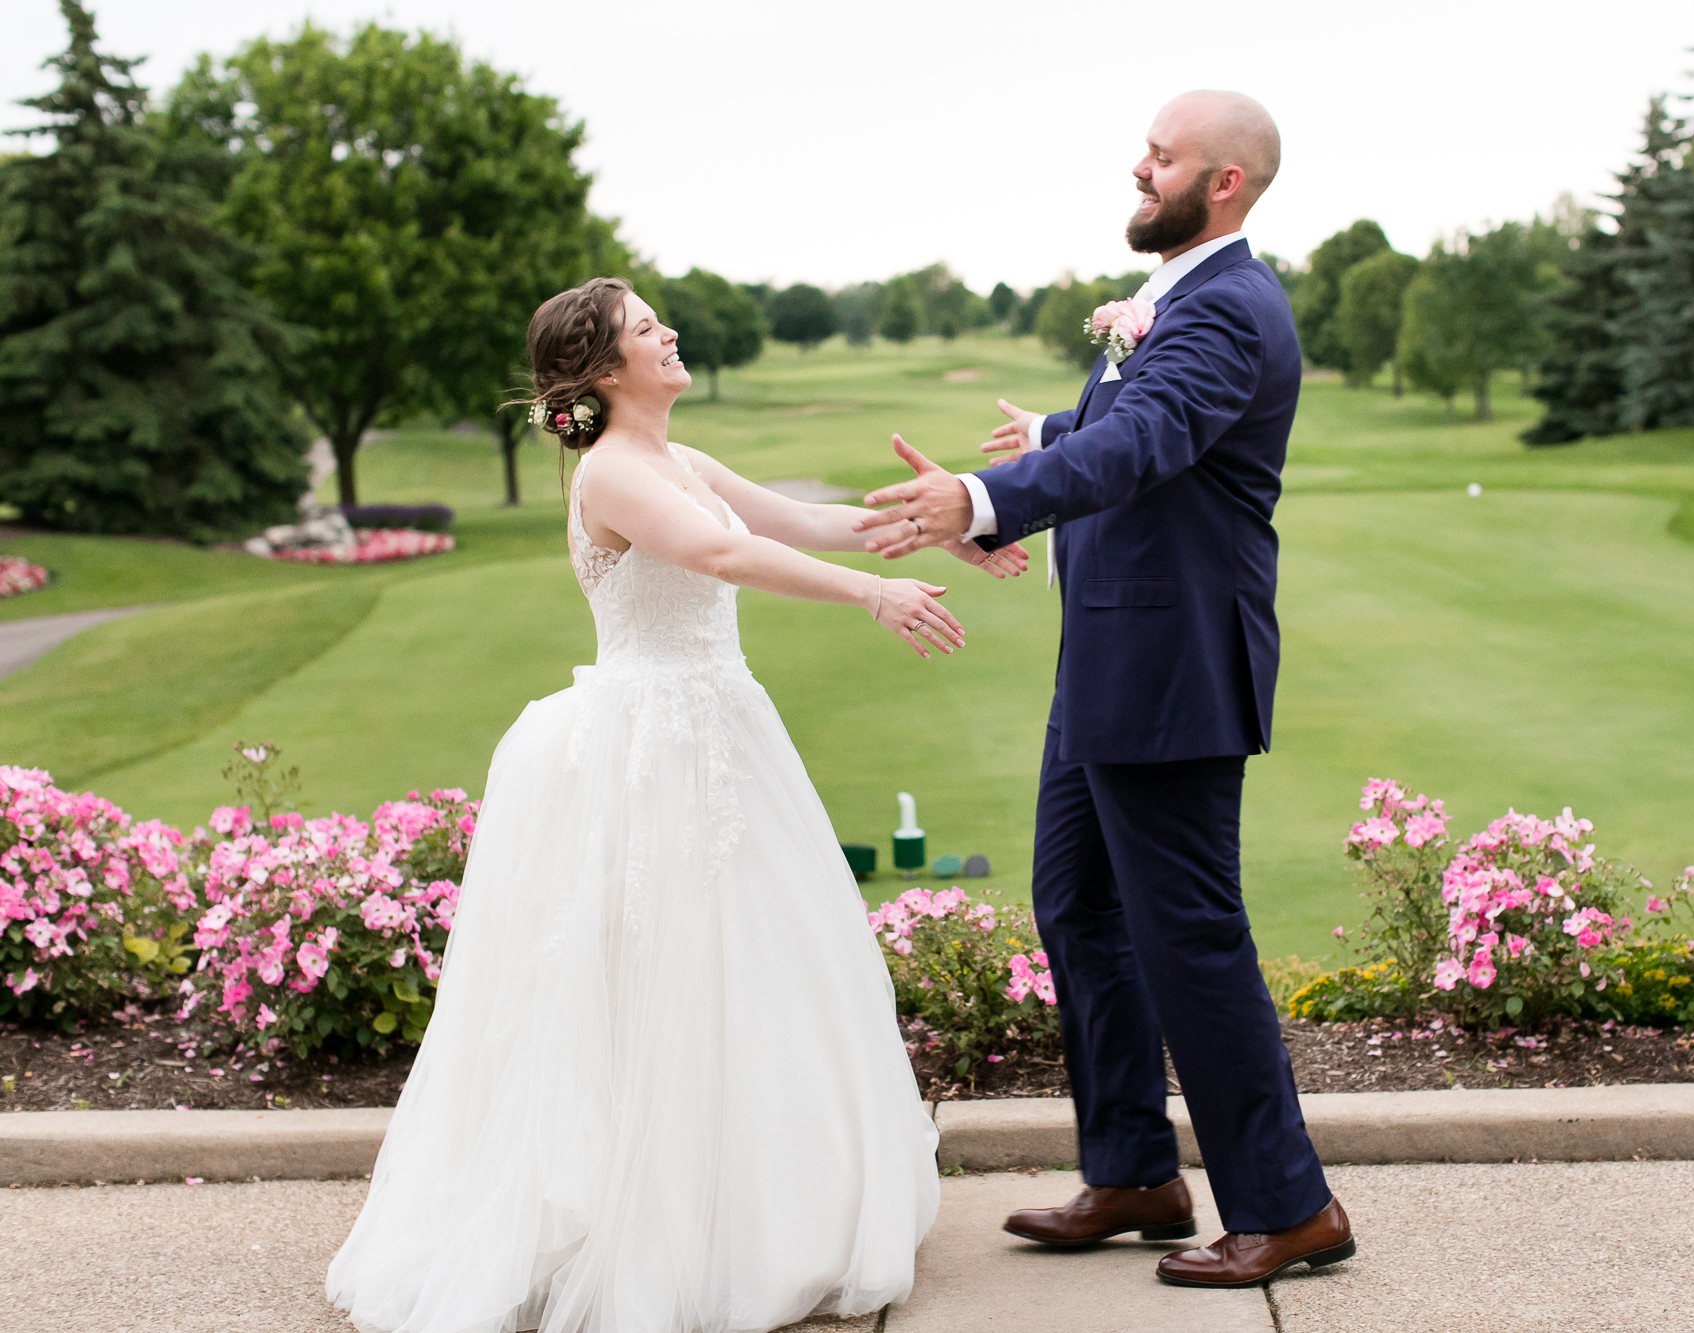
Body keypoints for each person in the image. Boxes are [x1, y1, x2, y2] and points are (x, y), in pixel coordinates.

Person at [327, 278, 1027, 1333]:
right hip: (644, 748)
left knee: (759, 959)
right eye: (648, 327)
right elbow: (718, 553)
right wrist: (868, 595)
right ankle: (642, 1230)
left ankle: (756, 1208)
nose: (670, 333)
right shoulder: (610, 470)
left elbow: (794, 518)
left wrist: (938, 532)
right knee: (651, 978)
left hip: (721, 729)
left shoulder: (677, 459)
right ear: (605, 369)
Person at [852, 90, 1355, 1288]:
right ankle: (1132, 1169)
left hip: (1173, 668)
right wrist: (1043, 426)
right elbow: (1125, 415)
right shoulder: (1179, 299)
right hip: (1114, 660)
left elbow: (1150, 442)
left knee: (1189, 932)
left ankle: (1289, 1207)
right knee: (1076, 905)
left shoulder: (1227, 306)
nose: (1139, 167)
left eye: (1162, 155)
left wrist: (979, 501)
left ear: (1221, 182)